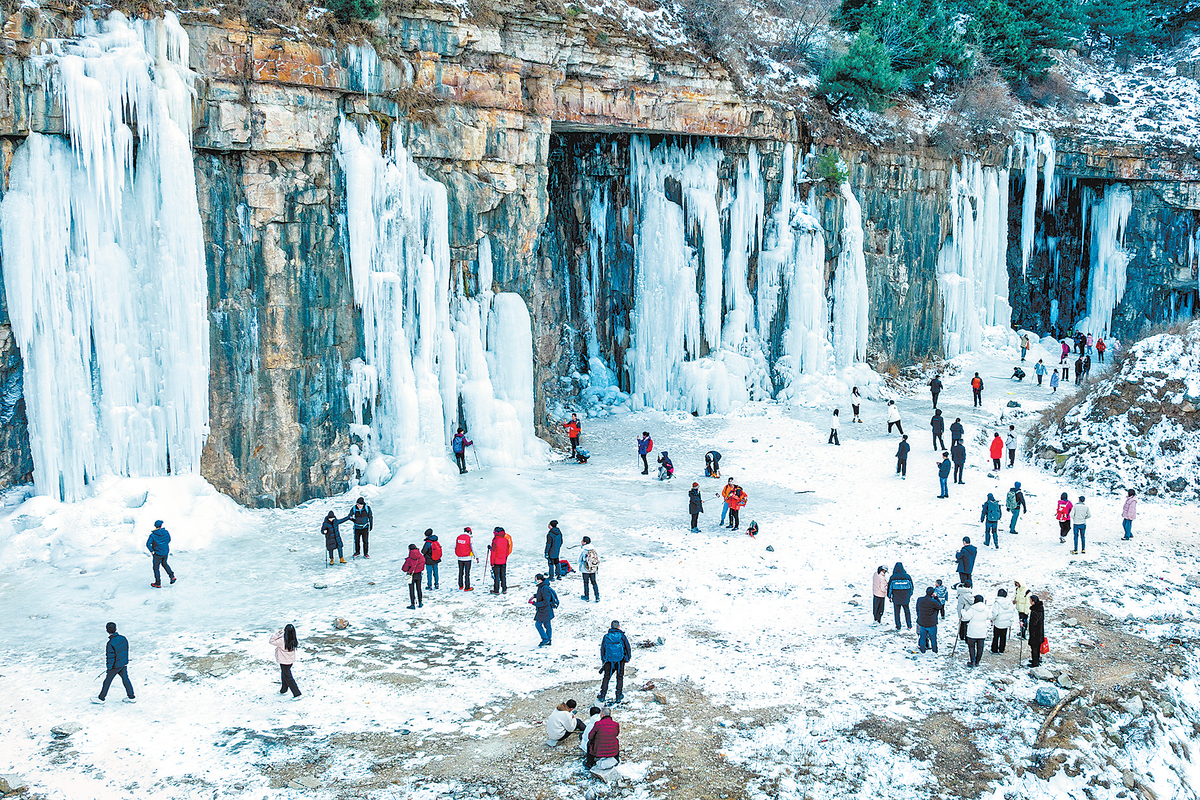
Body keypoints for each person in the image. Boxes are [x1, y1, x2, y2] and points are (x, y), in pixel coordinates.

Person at [93, 622, 135, 704]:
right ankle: (131, 697)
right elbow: (125, 651)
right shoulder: (123, 638)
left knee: (107, 681)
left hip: (115, 666)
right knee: (126, 680)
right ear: (116, 629)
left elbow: (110, 657)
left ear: (107, 631)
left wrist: (109, 668)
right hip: (123, 664)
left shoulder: (110, 643)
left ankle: (101, 698)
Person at [597, 621, 631, 703]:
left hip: (609, 661)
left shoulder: (606, 637)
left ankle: (602, 695)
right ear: (618, 626)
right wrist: (627, 658)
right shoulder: (622, 636)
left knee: (606, 677)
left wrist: (604, 660)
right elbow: (628, 647)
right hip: (620, 661)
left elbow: (602, 649)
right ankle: (618, 696)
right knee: (619, 678)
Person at [270, 623, 302, 699]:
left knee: (288, 677)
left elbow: (271, 641)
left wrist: (278, 633)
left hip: (283, 661)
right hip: (290, 660)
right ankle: (283, 689)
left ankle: (297, 693)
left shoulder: (282, 640)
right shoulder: (293, 639)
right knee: (284, 674)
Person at [146, 520, 176, 588]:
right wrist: (164, 545)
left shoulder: (153, 535)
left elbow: (148, 544)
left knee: (156, 568)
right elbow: (169, 540)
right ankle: (172, 576)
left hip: (157, 553)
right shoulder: (166, 532)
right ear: (161, 525)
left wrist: (152, 551)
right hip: (165, 551)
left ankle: (158, 583)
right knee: (164, 563)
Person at [532, 573, 560, 646]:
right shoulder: (542, 587)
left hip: (544, 610)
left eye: (536, 580)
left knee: (538, 624)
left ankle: (545, 639)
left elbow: (545, 601)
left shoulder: (544, 588)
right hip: (546, 610)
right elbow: (542, 596)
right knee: (547, 625)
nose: (535, 581)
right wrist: (535, 596)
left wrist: (535, 603)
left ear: (540, 580)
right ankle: (548, 640)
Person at [887, 562, 914, 631]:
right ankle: (909, 625)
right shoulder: (907, 576)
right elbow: (911, 587)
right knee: (907, 611)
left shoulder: (893, 577)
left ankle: (898, 626)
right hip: (905, 597)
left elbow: (889, 588)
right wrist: (909, 595)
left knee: (897, 612)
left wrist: (889, 596)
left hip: (896, 597)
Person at [963, 594, 988, 667]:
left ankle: (972, 661)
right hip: (982, 631)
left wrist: (963, 611)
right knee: (980, 647)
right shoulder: (986, 609)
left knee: (971, 647)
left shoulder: (972, 609)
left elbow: (966, 617)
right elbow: (990, 616)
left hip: (972, 631)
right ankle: (977, 661)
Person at [915, 587, 942, 654]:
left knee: (922, 636)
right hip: (931, 623)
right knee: (933, 638)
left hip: (922, 622)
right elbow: (940, 606)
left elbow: (917, 609)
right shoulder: (933, 602)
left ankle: (922, 649)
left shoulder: (920, 600)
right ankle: (934, 650)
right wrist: (936, 598)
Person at [990, 589, 1016, 654]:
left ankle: (994, 649)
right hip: (1006, 623)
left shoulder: (997, 603)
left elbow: (995, 613)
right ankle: (1002, 649)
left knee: (996, 636)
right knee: (1003, 636)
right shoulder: (1009, 602)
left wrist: (992, 618)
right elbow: (1012, 610)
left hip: (998, 623)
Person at [402, 544, 425, 609]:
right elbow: (422, 565)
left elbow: (404, 568)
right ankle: (420, 602)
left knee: (411, 590)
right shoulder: (421, 556)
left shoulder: (409, 559)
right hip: (419, 574)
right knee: (419, 588)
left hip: (411, 575)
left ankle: (413, 604)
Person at [489, 527, 511, 594]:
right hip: (503, 560)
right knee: (503, 575)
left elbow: (493, 552)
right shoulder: (505, 540)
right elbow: (507, 551)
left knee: (496, 576)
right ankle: (504, 589)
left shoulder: (495, 541)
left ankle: (496, 590)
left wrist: (492, 563)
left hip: (496, 561)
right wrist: (505, 558)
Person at [1027, 594, 1046, 667]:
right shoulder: (1040, 608)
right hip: (1040, 631)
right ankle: (1036, 659)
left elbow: (1033, 623)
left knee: (1034, 648)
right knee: (1037, 647)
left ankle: (1035, 662)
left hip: (1035, 633)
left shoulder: (1035, 611)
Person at [580, 536, 600, 602]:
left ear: (585, 543)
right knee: (594, 582)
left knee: (586, 583)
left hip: (585, 569)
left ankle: (587, 596)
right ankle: (597, 596)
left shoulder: (584, 550)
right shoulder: (593, 549)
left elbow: (579, 559)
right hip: (593, 568)